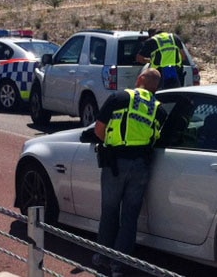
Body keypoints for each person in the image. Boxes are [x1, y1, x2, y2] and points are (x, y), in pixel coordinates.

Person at [91, 68, 167, 277]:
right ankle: (119, 265)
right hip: (141, 166)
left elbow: (99, 129)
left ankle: (102, 257)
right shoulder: (159, 110)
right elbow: (156, 137)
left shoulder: (120, 97)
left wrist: (110, 143)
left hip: (115, 163)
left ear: (140, 79)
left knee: (109, 212)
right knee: (130, 218)